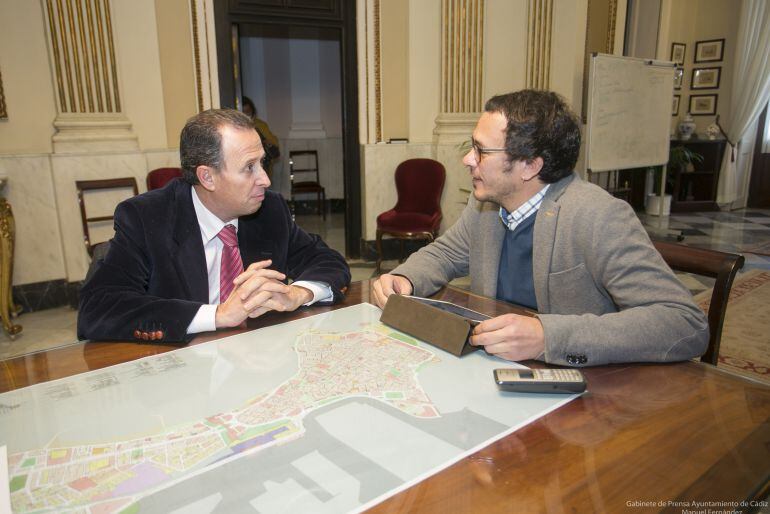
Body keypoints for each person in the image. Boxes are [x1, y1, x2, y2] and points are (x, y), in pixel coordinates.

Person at [372, 90, 708, 367]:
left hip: (578, 394)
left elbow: (684, 323)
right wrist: (407, 277)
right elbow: (446, 252)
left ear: (530, 166)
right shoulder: (487, 203)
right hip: (495, 368)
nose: (467, 160)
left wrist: (548, 337)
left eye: (481, 151)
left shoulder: (598, 216)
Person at [78, 109, 350, 343]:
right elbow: (99, 309)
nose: (265, 180)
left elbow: (328, 261)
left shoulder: (269, 210)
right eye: (249, 168)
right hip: (180, 374)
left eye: (262, 164)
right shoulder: (146, 218)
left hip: (254, 364)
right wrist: (218, 315)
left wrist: (298, 294)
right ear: (207, 177)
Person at [242, 96, 280, 177]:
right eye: (243, 112)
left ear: (252, 111)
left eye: (248, 111)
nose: (246, 115)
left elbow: (275, 144)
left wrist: (269, 143)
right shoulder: (234, 127)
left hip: (262, 167)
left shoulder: (261, 125)